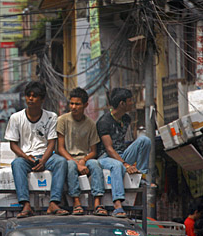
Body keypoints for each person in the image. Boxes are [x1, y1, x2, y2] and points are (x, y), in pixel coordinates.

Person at [5, 81, 69, 218]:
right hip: (26, 157)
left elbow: (52, 142)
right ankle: (26, 204)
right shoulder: (16, 118)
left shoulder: (51, 117)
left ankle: (54, 202)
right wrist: (26, 156)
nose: (30, 99)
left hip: (46, 155)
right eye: (28, 95)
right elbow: (13, 145)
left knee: (61, 162)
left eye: (34, 96)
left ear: (42, 99)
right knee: (16, 164)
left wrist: (43, 160)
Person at [96, 88, 152, 218]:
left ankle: (141, 176)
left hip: (122, 154)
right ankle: (118, 204)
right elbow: (109, 149)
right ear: (122, 104)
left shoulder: (126, 119)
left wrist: (128, 161)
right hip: (105, 157)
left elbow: (128, 141)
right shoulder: (104, 121)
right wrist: (126, 164)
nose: (132, 103)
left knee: (145, 140)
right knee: (117, 166)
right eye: (130, 101)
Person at [57, 87, 107, 216]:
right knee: (70, 165)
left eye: (77, 104)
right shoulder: (62, 120)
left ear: (85, 105)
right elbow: (60, 148)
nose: (74, 107)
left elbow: (93, 151)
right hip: (68, 158)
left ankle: (98, 202)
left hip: (84, 159)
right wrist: (77, 163)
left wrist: (83, 161)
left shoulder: (91, 124)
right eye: (71, 103)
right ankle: (76, 201)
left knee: (96, 164)